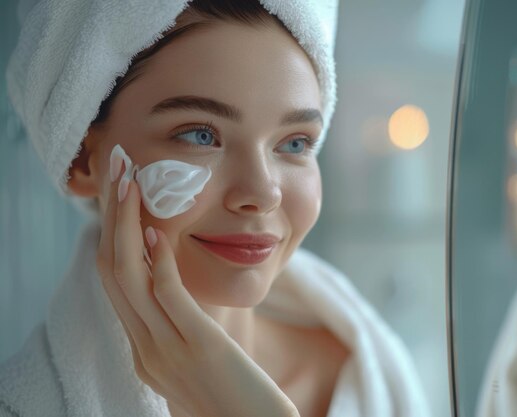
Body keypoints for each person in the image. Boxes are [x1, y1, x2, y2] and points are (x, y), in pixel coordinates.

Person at [0, 0, 428, 416]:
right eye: (200, 135)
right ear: (81, 158)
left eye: (295, 143)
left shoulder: (365, 376)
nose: (263, 193)